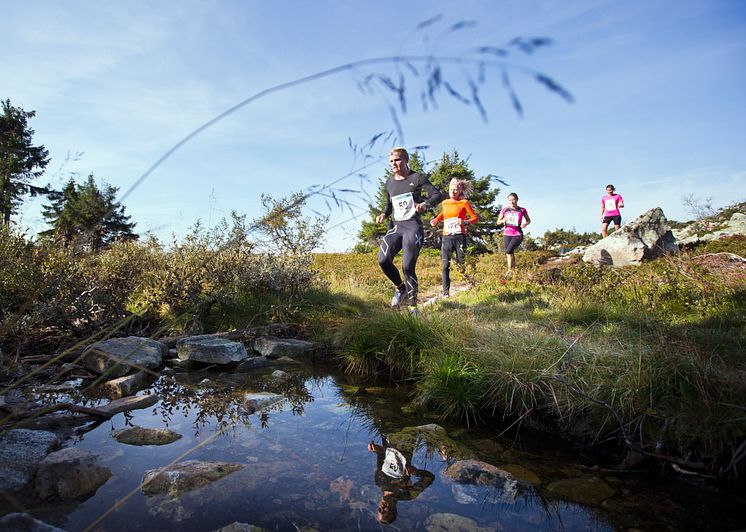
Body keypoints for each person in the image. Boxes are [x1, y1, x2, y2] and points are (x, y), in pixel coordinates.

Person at [376, 147, 444, 311]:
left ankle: (413, 309)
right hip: (396, 227)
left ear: (405, 160)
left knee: (407, 267)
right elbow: (388, 205)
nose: (394, 164)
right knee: (383, 260)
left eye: (397, 160)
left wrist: (425, 205)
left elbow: (437, 195)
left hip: (412, 226)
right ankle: (401, 288)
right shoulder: (390, 183)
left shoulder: (417, 177)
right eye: (391, 161)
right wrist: (383, 214)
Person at [367, 437, 435, 525]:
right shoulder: (408, 494)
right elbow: (429, 477)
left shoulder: (379, 482)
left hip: (388, 436)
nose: (382, 507)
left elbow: (382, 455)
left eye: (380, 510)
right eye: (386, 511)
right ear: (394, 510)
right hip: (407, 441)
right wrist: (415, 472)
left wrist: (375, 449)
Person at [431, 177, 479, 297]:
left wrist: (465, 222)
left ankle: (467, 285)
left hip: (460, 236)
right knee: (445, 265)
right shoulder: (445, 203)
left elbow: (475, 218)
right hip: (447, 236)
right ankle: (446, 292)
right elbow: (444, 213)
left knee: (461, 263)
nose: (453, 192)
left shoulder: (464, 203)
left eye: (455, 189)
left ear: (460, 190)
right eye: (451, 189)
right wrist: (436, 220)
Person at [496, 192, 530, 273]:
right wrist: (502, 220)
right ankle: (512, 271)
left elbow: (529, 220)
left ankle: (510, 270)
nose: (512, 202)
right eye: (510, 200)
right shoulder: (505, 209)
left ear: (517, 199)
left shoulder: (522, 210)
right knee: (509, 252)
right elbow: (498, 222)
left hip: (517, 233)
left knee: (508, 251)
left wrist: (525, 223)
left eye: (513, 200)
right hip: (507, 233)